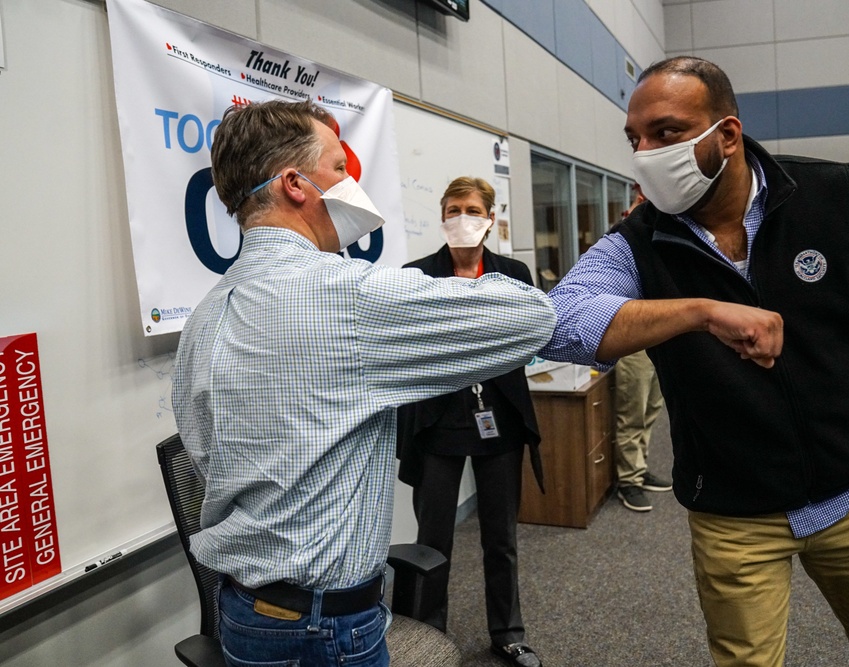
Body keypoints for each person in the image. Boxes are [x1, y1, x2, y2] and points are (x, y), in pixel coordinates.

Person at [538, 56, 849, 667]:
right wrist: (698, 311)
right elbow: (561, 325)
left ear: (728, 135)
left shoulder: (840, 194)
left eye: (666, 133)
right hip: (733, 509)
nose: (645, 153)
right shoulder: (638, 241)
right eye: (635, 139)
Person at [171, 100, 556, 667]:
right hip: (324, 630)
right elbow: (533, 318)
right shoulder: (346, 294)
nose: (350, 183)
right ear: (296, 185)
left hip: (242, 613)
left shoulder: (203, 315)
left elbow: (204, 452)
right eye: (338, 169)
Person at [396, 177, 544, 667]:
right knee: (432, 540)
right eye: (454, 208)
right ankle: (426, 633)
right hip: (437, 423)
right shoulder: (415, 276)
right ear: (442, 217)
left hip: (497, 419)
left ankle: (508, 631)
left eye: (473, 209)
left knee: (500, 536)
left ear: (490, 218)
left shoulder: (513, 274)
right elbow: (413, 349)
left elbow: (528, 338)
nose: (464, 217)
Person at [613, 186, 671, 513]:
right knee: (632, 411)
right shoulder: (626, 230)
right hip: (634, 337)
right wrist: (636, 215)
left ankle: (641, 465)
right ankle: (629, 480)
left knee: (651, 408)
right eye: (640, 192)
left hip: (660, 335)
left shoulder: (666, 226)